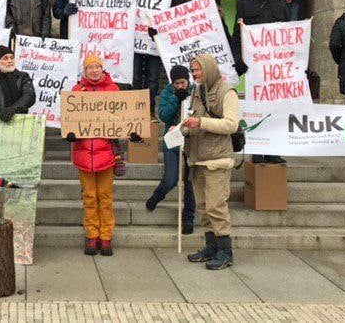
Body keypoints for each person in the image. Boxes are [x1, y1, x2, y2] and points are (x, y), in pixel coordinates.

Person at [64, 55, 141, 256]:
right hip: (83, 154)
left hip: (106, 154)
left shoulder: (113, 90)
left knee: (105, 198)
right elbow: (71, 118)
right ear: (85, 70)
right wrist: (70, 133)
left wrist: (131, 130)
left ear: (102, 68)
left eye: (97, 66)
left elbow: (123, 119)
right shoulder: (76, 92)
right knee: (89, 197)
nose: (94, 70)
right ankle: (92, 235)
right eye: (90, 67)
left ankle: (106, 237)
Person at [182, 54, 239, 270]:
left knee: (216, 206)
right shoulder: (197, 90)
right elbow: (194, 120)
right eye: (193, 70)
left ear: (209, 69)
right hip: (197, 158)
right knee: (204, 207)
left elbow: (231, 125)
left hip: (217, 159)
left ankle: (226, 251)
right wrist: (182, 129)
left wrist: (201, 122)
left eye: (198, 70)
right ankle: (211, 246)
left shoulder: (227, 92)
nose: (195, 74)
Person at [230, 0, 289, 164]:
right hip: (254, 67)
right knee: (256, 108)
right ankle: (256, 147)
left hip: (275, 68)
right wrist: (238, 60)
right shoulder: (245, 4)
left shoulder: (281, 5)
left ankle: (272, 148)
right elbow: (237, 35)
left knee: (275, 108)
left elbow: (289, 37)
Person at [145, 64, 196, 234]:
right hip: (172, 140)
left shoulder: (195, 92)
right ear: (172, 83)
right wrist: (176, 98)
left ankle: (188, 218)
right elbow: (164, 116)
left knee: (190, 183)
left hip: (191, 141)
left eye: (183, 83)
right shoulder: (168, 92)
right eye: (177, 83)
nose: (181, 86)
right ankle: (157, 195)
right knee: (170, 179)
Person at [129, 0, 167, 110]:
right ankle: (134, 110)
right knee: (135, 77)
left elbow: (164, 6)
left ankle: (149, 109)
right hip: (134, 37)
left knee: (152, 77)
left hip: (152, 37)